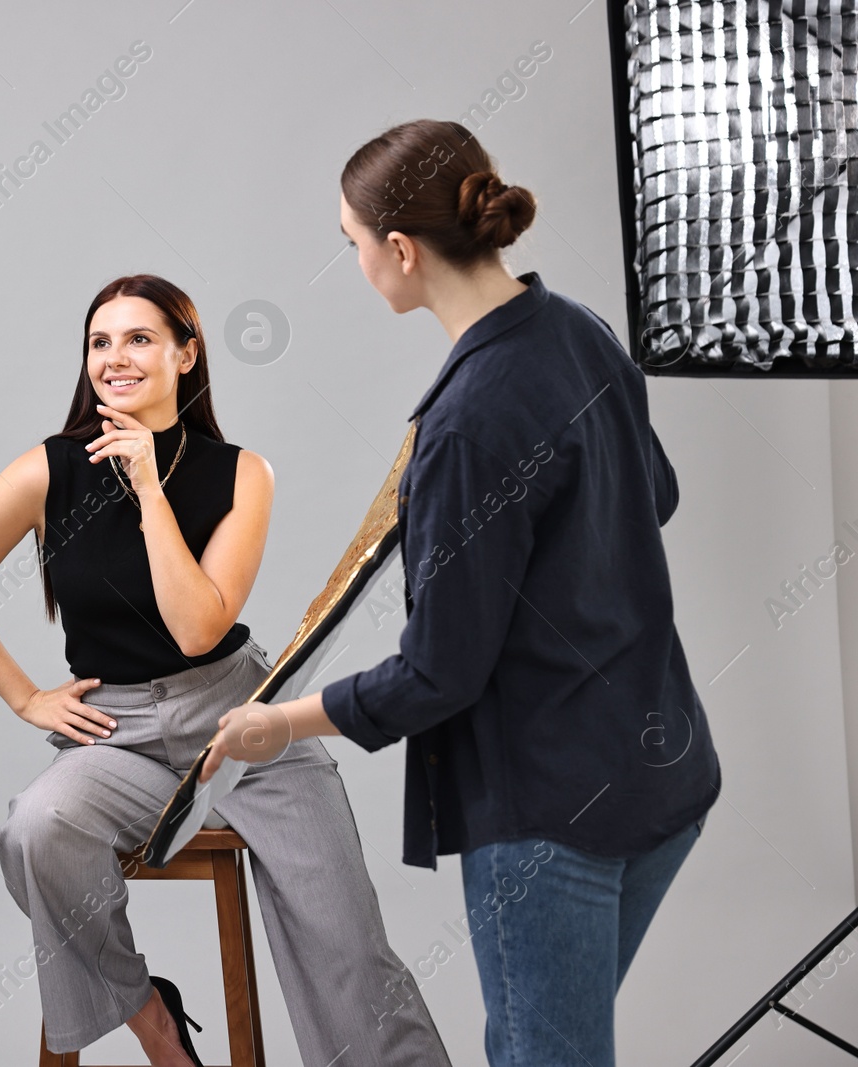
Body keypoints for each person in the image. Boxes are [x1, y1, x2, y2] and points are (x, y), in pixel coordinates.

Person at [203, 119, 721, 1067]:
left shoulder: (461, 429)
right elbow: (658, 493)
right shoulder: (579, 331)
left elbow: (437, 675)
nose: (356, 262)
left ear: (400, 251)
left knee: (537, 1050)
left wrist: (276, 724)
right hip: (666, 772)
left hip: (551, 817)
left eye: (353, 243)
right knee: (531, 1039)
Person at [0, 274, 451, 1067]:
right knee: (37, 829)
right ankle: (154, 1026)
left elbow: (198, 626)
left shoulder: (243, 474)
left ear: (186, 352)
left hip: (245, 724)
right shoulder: (48, 470)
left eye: (138, 338)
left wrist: (146, 485)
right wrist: (26, 696)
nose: (115, 358)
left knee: (349, 949)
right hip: (119, 736)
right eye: (100, 342)